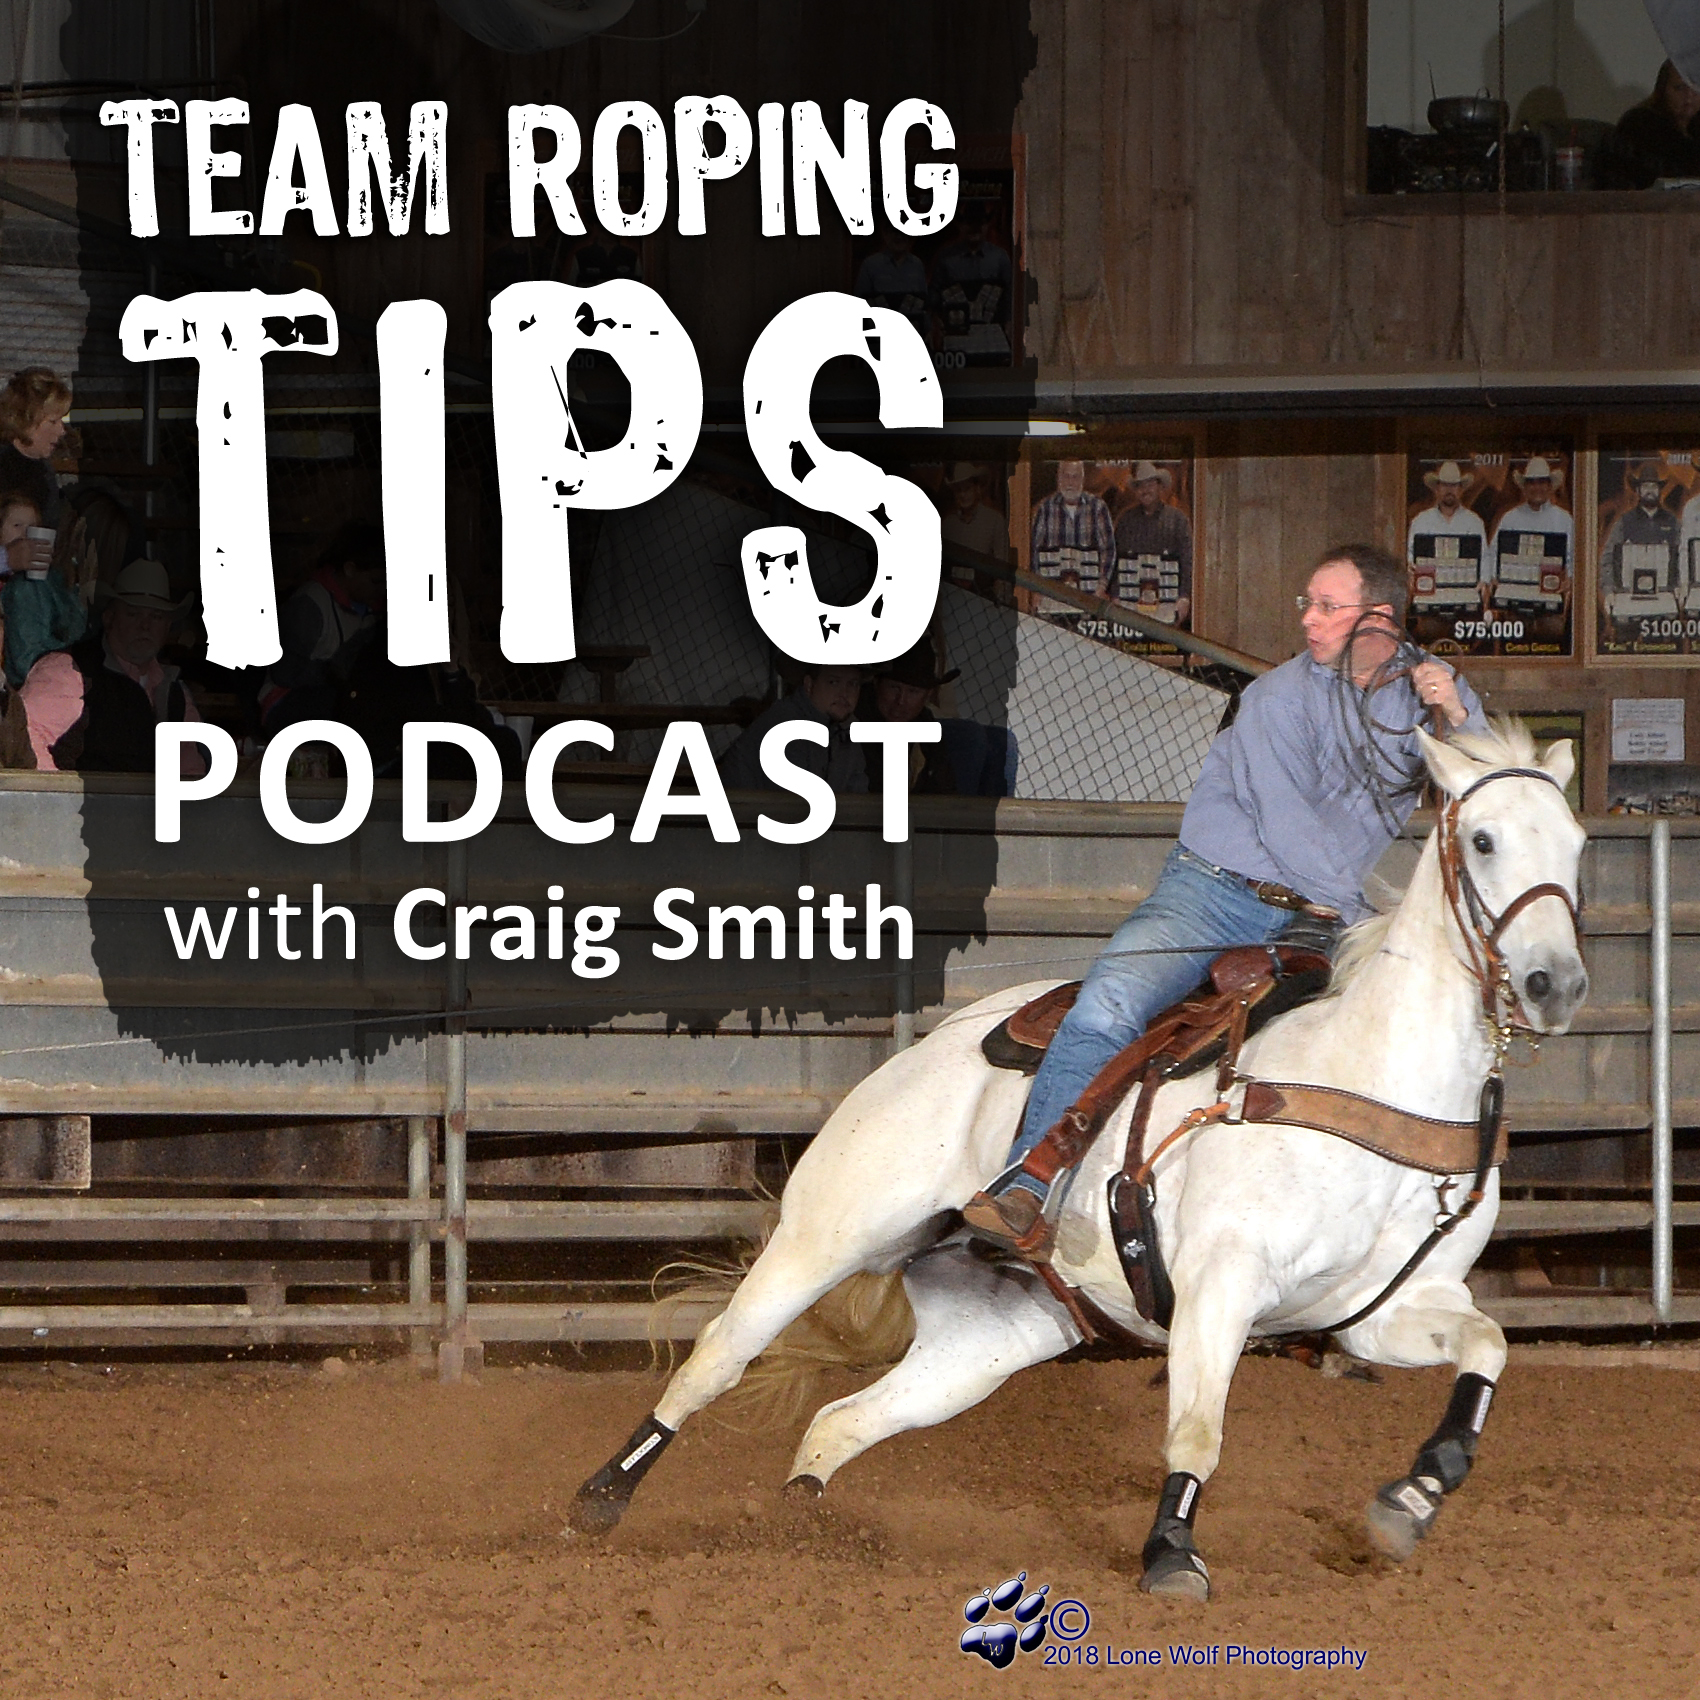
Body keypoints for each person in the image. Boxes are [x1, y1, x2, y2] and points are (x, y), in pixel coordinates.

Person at [962, 543, 1487, 1254]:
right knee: (1110, 1002)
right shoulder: (1278, 698)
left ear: (1380, 618)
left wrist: (1457, 710)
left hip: (1321, 908)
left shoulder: (1429, 693)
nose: (1307, 619)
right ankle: (1030, 1180)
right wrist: (1361, 919)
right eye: (1307, 603)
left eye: (1326, 606)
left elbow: (1490, 784)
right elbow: (1288, 826)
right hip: (1213, 894)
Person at [21, 558, 206, 776]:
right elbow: (25, 739)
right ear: (109, 617)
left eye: (156, 617)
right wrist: (63, 794)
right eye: (133, 613)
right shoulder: (69, 671)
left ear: (167, 627)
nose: (145, 626)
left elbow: (190, 768)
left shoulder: (174, 691)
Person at [258, 521, 385, 737]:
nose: (382, 589)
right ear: (350, 570)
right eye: (375, 581)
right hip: (286, 702)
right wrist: (332, 672)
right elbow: (284, 674)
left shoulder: (372, 610)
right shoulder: (310, 605)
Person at [719, 665, 867, 794]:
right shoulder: (784, 725)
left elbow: (858, 795)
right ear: (809, 685)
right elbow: (793, 807)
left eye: (853, 684)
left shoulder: (846, 730)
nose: (845, 693)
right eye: (833, 682)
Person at [0, 490, 86, 685]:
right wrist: (8, 558)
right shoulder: (16, 586)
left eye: (33, 528)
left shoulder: (50, 585)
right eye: (17, 526)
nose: (25, 534)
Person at [857, 640, 959, 796]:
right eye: (894, 688)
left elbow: (944, 789)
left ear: (928, 695)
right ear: (876, 684)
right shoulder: (853, 719)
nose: (901, 701)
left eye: (913, 692)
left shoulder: (926, 727)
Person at [1598, 60, 1700, 190]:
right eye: (1679, 88)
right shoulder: (1639, 125)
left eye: (1696, 88)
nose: (1689, 97)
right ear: (1663, 90)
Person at [1112, 460, 1193, 624]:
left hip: (1168, 604)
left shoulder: (1178, 520)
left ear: (1159, 487)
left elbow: (1187, 561)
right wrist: (1115, 595)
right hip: (1130, 604)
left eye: (1150, 484)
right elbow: (1115, 560)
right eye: (1140, 486)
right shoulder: (1125, 520)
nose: (1145, 490)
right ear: (1135, 491)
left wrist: (1184, 597)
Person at [1030, 460, 1116, 603]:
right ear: (1058, 478)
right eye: (1066, 476)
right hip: (1052, 595)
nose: (1070, 482)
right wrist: (1037, 589)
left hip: (1088, 596)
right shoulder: (1045, 508)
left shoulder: (1097, 507)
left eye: (1075, 477)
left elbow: (1108, 550)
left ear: (1082, 479)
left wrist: (1101, 587)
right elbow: (1034, 551)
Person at [0, 368, 71, 530]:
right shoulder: (4, 466)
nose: (62, 431)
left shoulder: (43, 471)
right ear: (26, 419)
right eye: (53, 421)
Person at [1603, 465, 1680, 601]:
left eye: (1654, 486)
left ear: (1660, 490)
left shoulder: (1672, 521)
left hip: (1665, 595)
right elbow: (1608, 557)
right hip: (1629, 594)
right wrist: (1609, 590)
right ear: (1638, 490)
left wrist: (1679, 586)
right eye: (1645, 486)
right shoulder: (1625, 521)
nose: (1650, 491)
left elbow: (1682, 557)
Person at [939, 463, 1010, 591]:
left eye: (967, 489)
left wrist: (999, 594)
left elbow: (1002, 563)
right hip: (953, 592)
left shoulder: (994, 520)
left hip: (984, 593)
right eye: (958, 490)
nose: (963, 495)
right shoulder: (948, 524)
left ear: (977, 489)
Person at [855, 227, 930, 341]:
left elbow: (924, 304)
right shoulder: (870, 265)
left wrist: (928, 331)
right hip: (879, 336)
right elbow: (859, 304)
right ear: (885, 234)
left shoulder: (917, 265)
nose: (899, 236)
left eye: (902, 232)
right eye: (894, 232)